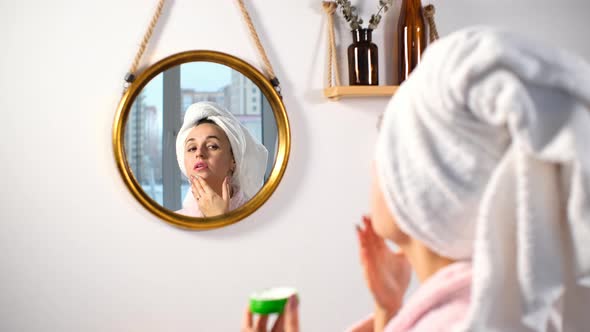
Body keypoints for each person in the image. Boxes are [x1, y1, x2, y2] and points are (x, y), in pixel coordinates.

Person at [241, 26, 590, 331]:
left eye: (385, 152)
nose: (374, 169)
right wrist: (387, 309)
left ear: (423, 185)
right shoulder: (516, 307)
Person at [175, 101, 268, 217]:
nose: (199, 153)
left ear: (233, 160)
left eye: (212, 146)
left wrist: (218, 217)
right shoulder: (172, 225)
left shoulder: (259, 219)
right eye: (192, 148)